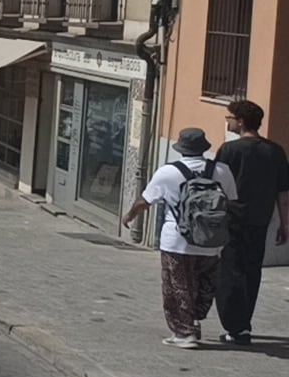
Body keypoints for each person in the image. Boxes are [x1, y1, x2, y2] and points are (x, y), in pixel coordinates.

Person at [122, 127, 241, 349]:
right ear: (203, 148)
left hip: (177, 241)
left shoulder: (168, 172)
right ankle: (193, 323)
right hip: (211, 243)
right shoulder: (222, 171)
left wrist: (129, 216)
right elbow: (231, 203)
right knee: (204, 285)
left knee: (176, 286)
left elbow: (144, 201)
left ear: (181, 148)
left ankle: (184, 333)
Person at [212, 100, 289, 345]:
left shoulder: (229, 150)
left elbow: (216, 186)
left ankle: (235, 326)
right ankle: (243, 323)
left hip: (232, 220)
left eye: (230, 117)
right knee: (251, 271)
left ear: (241, 121)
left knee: (229, 272)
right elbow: (283, 195)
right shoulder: (275, 151)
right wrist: (284, 224)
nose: (229, 121)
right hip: (260, 221)